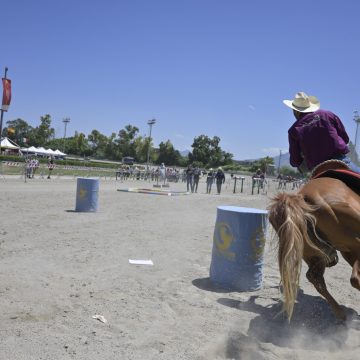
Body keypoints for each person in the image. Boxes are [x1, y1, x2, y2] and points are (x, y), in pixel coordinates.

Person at [283, 92, 360, 173]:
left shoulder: (293, 130)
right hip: (339, 160)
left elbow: (295, 160)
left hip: (316, 167)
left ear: (295, 111)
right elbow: (345, 138)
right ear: (309, 106)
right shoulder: (327, 114)